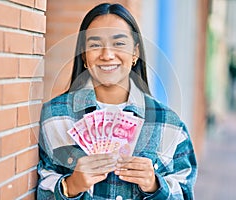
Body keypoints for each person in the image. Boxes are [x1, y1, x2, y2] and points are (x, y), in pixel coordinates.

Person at [37, 3, 197, 200]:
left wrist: (155, 186)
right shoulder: (54, 117)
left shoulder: (170, 124)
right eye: (95, 45)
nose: (107, 55)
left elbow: (185, 192)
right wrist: (71, 186)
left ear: (135, 53)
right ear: (84, 56)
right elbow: (41, 189)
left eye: (119, 43)